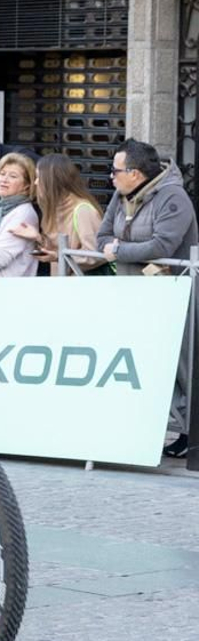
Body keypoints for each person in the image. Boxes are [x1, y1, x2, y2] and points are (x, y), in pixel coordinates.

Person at [97, 139, 199, 458]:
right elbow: (102, 237)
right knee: (144, 363)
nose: (111, 176)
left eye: (115, 170)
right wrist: (118, 248)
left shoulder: (173, 197)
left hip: (171, 294)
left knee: (182, 365)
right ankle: (150, 430)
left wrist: (120, 250)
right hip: (133, 293)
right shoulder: (120, 195)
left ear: (136, 173)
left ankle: (190, 433)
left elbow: (162, 245)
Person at [12, 154, 106, 276]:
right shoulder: (54, 207)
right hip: (60, 281)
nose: (35, 182)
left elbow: (95, 254)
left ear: (53, 180)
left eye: (39, 177)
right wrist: (38, 237)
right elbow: (58, 247)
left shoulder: (83, 210)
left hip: (80, 284)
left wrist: (58, 256)